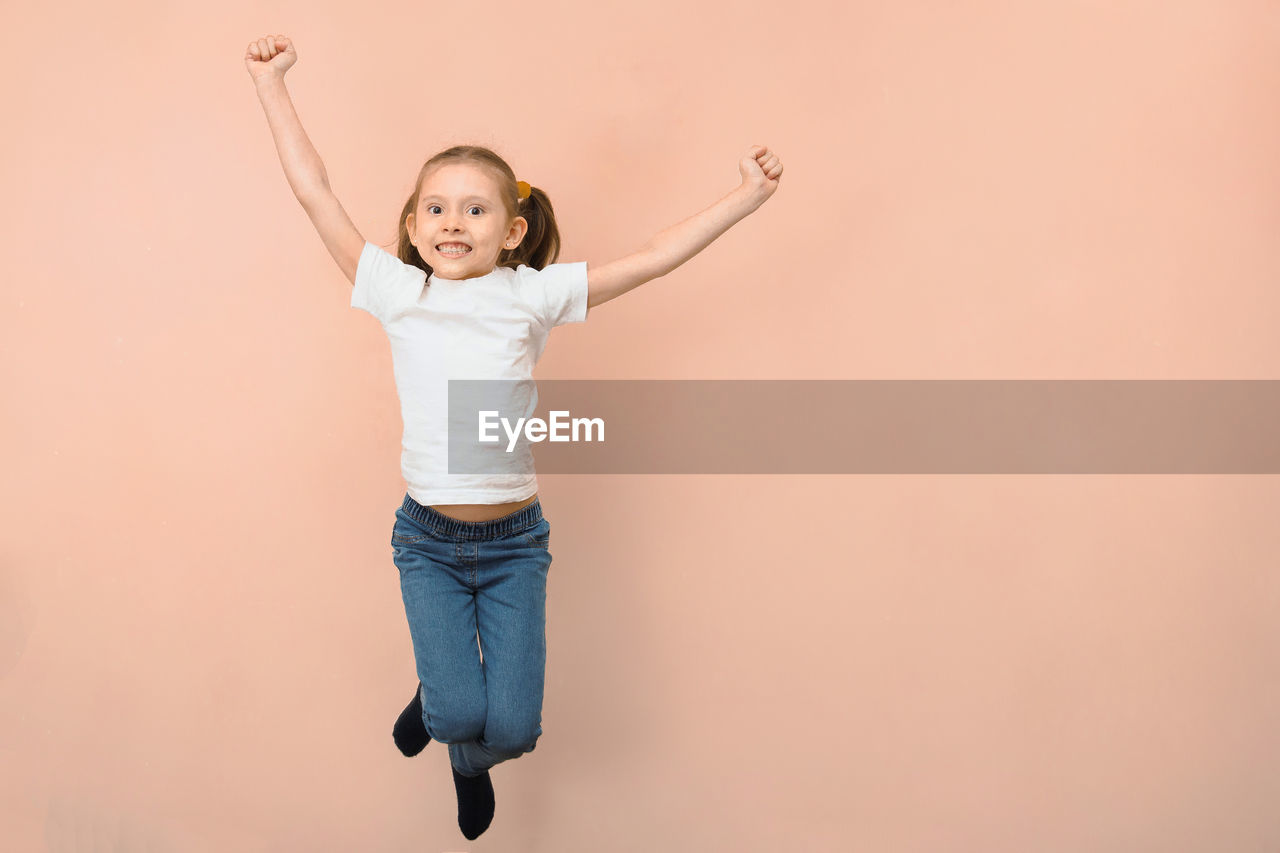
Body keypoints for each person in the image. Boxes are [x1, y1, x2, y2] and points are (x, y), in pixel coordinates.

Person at [244, 33, 783, 841]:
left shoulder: (530, 296)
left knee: (516, 730)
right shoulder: (398, 291)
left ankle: (460, 747)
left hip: (514, 543)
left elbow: (652, 260)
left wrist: (744, 197)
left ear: (514, 231)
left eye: (474, 208)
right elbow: (314, 192)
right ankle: (441, 706)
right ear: (413, 225)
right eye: (434, 207)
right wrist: (271, 85)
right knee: (462, 704)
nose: (451, 221)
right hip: (426, 540)